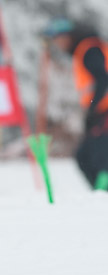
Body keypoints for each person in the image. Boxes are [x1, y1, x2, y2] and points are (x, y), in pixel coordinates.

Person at [44, 18, 108, 191]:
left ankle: (102, 194)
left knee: (99, 158)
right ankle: (100, 193)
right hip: (99, 112)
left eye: (58, 39)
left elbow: (103, 78)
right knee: (85, 157)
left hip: (103, 112)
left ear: (68, 36)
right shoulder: (83, 50)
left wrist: (94, 108)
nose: (58, 44)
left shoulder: (89, 49)